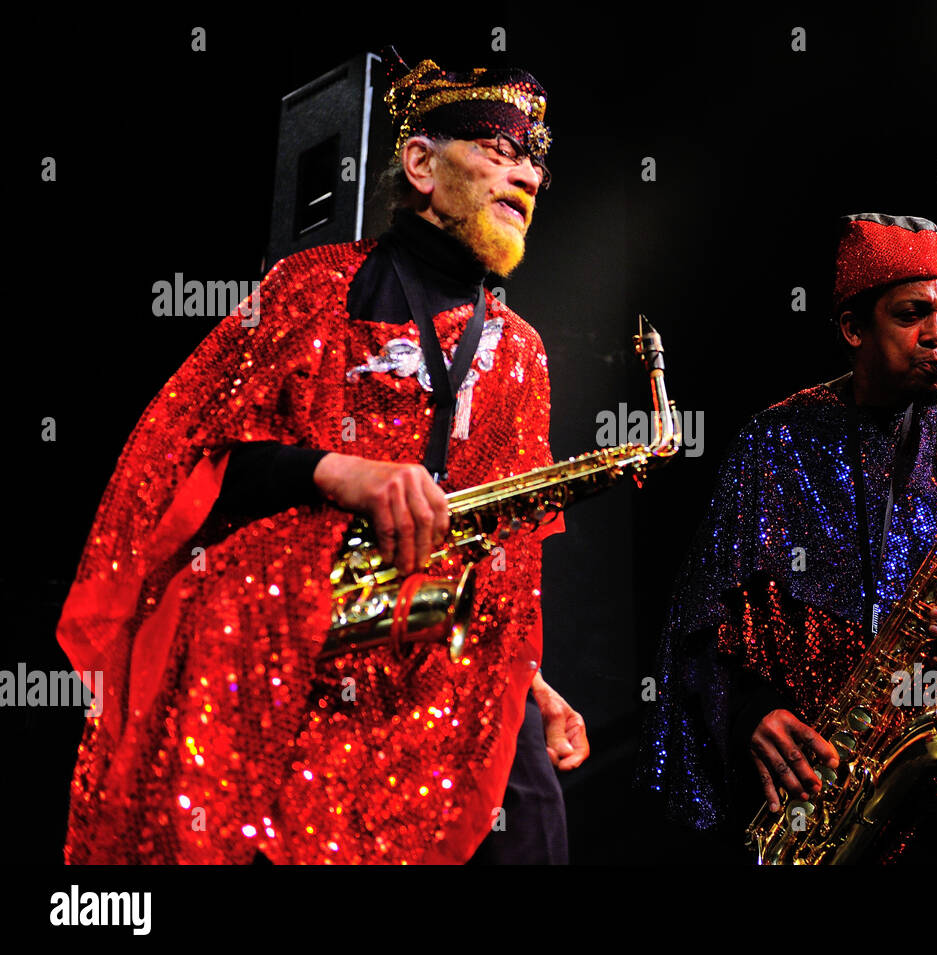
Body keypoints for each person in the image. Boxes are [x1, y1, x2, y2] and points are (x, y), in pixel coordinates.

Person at [58, 51, 587, 864]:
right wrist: (338, 471)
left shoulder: (522, 352)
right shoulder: (312, 287)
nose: (526, 177)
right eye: (499, 148)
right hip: (294, 640)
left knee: (529, 816)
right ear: (419, 162)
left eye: (535, 162)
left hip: (441, 657)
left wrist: (535, 681)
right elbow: (183, 461)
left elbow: (507, 562)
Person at [640, 213, 937, 863]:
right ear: (852, 327)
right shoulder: (774, 440)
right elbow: (702, 618)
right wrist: (749, 712)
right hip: (826, 792)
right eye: (912, 314)